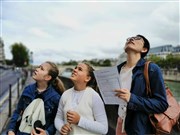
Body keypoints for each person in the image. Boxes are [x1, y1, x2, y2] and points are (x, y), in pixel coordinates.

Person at [114, 35, 168, 135]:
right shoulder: (117, 70)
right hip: (120, 122)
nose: (131, 39)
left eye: (137, 38)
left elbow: (162, 104)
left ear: (144, 49)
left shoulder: (152, 68)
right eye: (128, 38)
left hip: (138, 128)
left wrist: (132, 98)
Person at [7, 61, 65, 135]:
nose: (37, 69)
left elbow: (55, 121)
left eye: (42, 69)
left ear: (48, 77)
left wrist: (46, 133)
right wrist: (11, 129)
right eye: (38, 67)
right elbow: (18, 111)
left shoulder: (55, 98)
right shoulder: (28, 89)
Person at [54, 62, 108, 135]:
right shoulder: (65, 94)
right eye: (75, 67)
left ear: (87, 78)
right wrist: (61, 127)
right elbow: (58, 118)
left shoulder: (94, 96)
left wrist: (79, 120)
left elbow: (103, 128)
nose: (74, 70)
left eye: (80, 69)